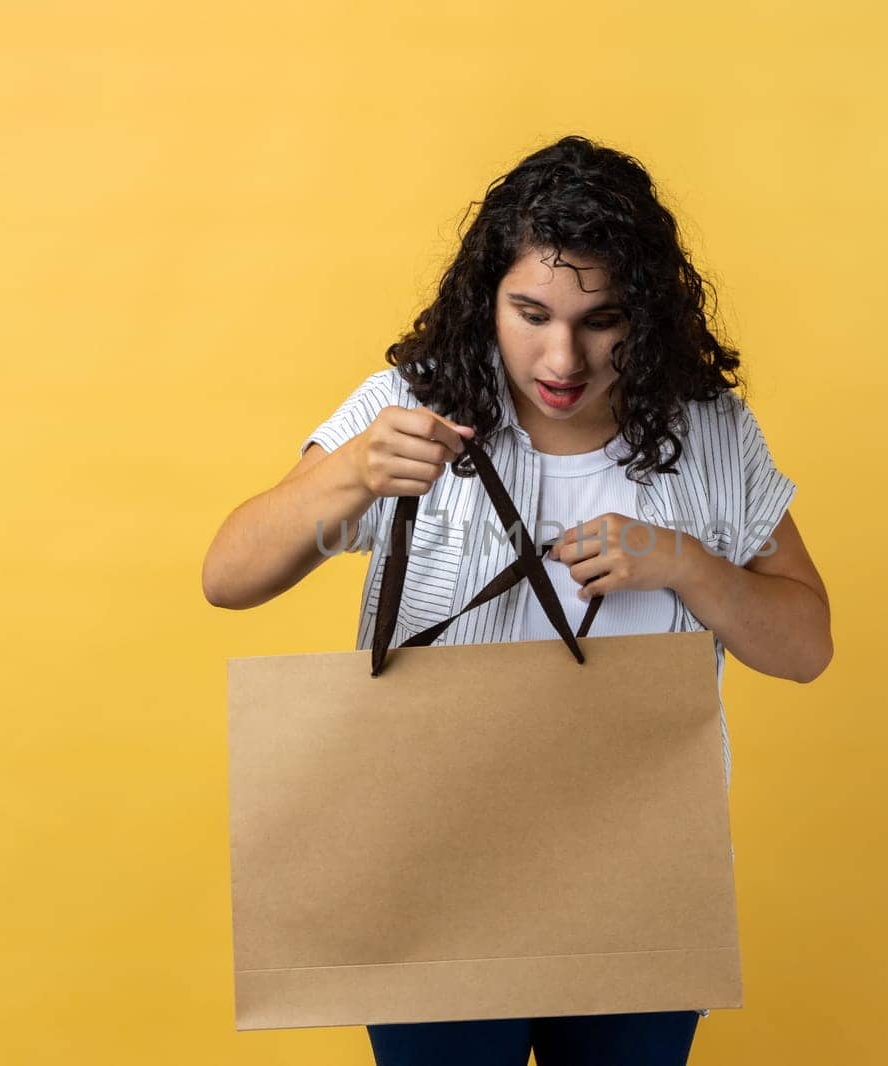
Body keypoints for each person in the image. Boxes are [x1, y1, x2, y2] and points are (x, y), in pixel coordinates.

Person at [202, 134, 833, 1066]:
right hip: (427, 870)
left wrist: (689, 566)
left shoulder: (708, 433)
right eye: (530, 313)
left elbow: (806, 645)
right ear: (486, 298)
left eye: (600, 319)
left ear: (645, 314)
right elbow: (229, 577)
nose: (562, 355)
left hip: (640, 873)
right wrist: (351, 474)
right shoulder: (411, 407)